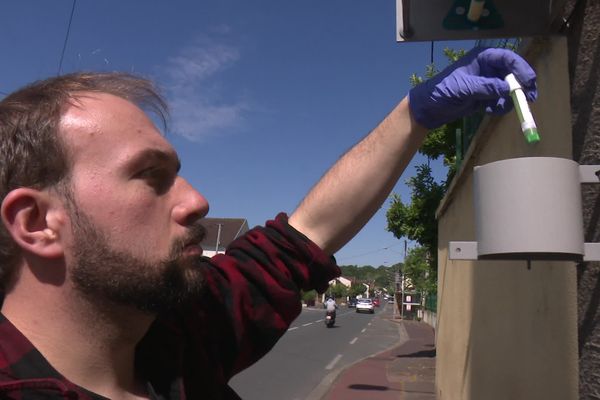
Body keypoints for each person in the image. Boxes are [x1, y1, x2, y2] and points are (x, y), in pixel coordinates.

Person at [0, 47, 536, 399]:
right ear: (36, 221)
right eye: (149, 175)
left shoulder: (180, 336)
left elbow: (304, 236)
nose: (197, 201)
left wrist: (416, 114)